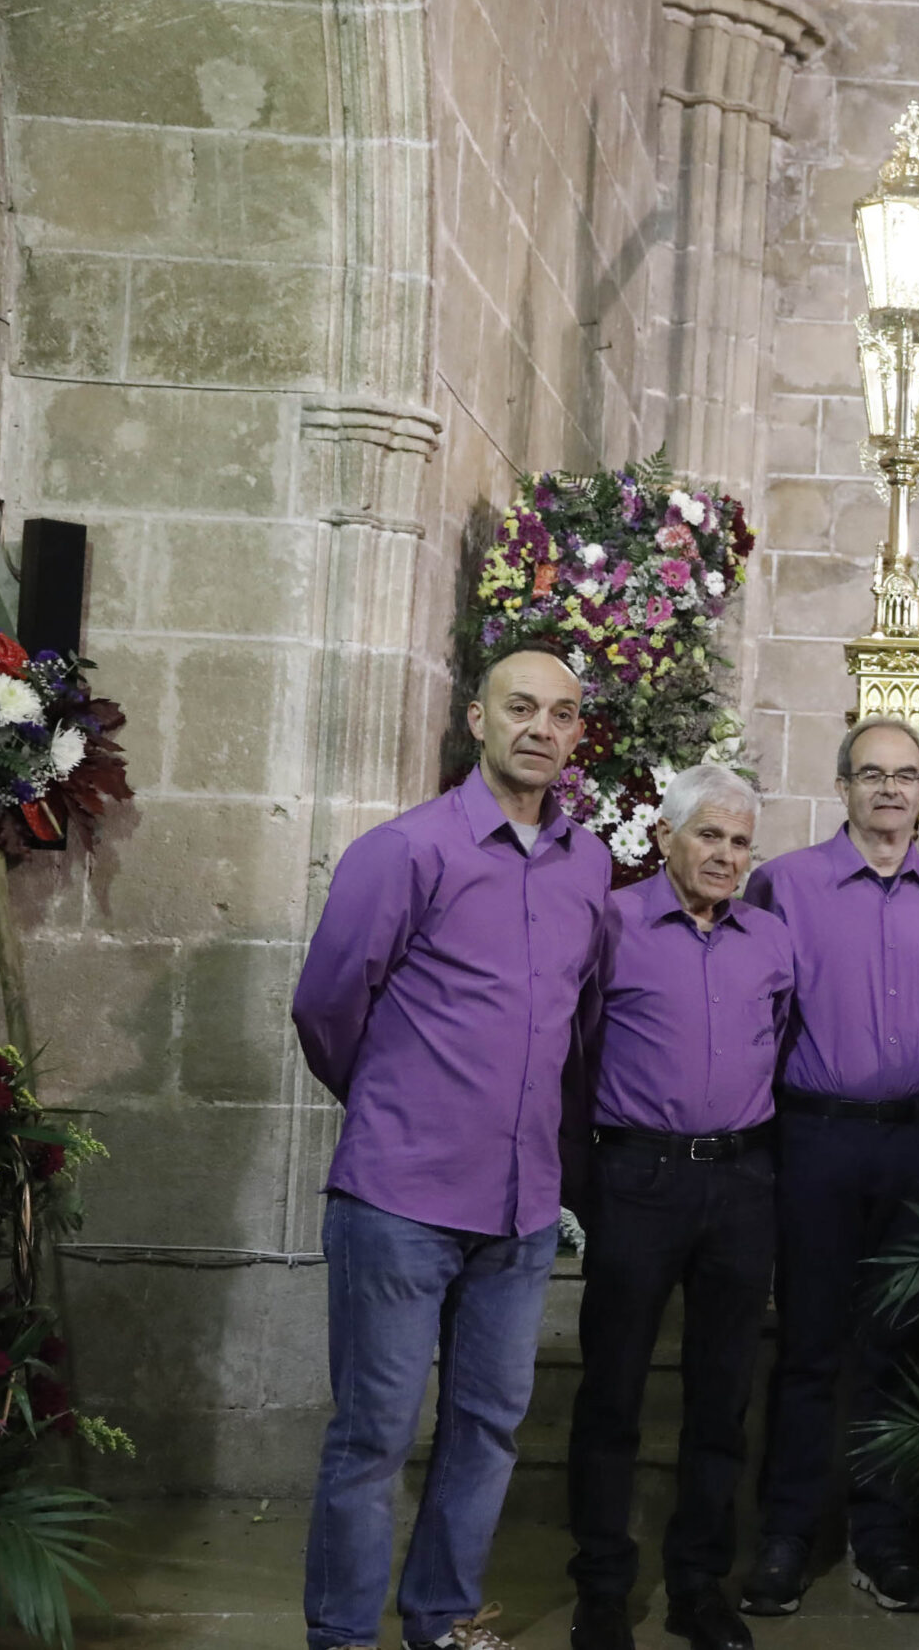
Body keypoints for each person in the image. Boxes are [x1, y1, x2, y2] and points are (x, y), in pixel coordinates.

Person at [293, 645, 613, 1650]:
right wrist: (399, 1105)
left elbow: (579, 1019)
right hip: (401, 1200)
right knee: (374, 1437)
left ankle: (436, 1622)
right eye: (520, 707)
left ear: (574, 737)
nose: (540, 729)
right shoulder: (405, 853)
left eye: (561, 715)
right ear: (476, 718)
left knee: (484, 1431)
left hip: (520, 1210)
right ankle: (343, 1638)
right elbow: (325, 1009)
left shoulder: (589, 865)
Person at [739, 720, 919, 1616]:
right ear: (842, 785)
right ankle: (786, 1536)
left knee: (904, 1348)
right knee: (808, 1346)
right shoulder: (786, 886)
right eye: (871, 774)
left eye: (906, 776)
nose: (889, 789)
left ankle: (886, 1539)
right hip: (818, 1138)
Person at [565, 766, 789, 1650]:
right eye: (710, 836)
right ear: (665, 837)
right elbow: (572, 1049)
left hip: (741, 1182)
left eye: (740, 841)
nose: (726, 855)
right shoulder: (612, 925)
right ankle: (602, 1590)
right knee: (612, 1392)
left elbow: (786, 1039)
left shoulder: (771, 940)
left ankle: (700, 1584)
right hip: (636, 1178)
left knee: (722, 1395)